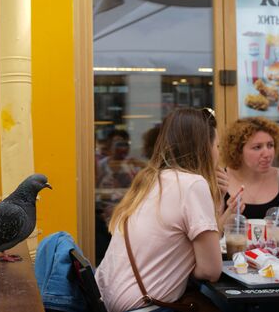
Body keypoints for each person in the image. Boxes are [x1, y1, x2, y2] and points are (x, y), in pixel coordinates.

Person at [95, 108, 222, 312]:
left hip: (105, 301)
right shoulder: (193, 184)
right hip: (144, 307)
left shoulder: (149, 179)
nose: (219, 153)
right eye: (217, 145)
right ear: (205, 148)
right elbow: (210, 271)